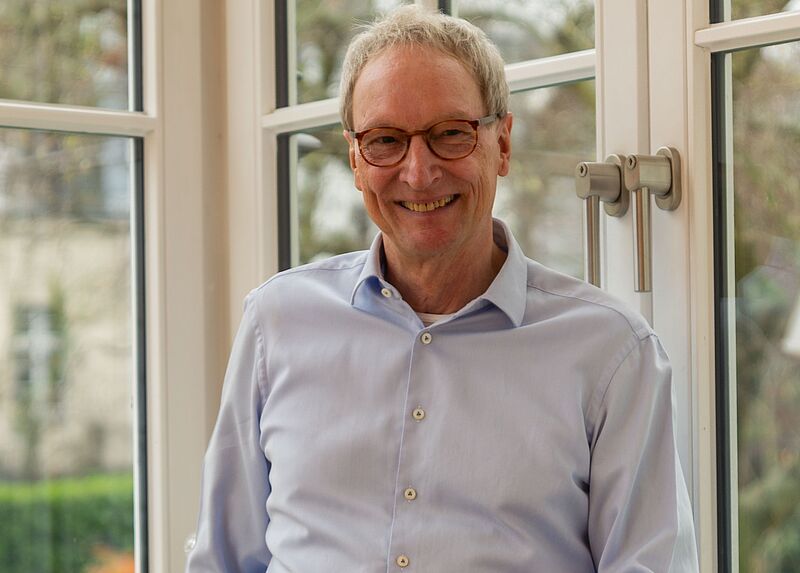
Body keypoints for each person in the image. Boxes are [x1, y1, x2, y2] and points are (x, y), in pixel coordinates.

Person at [186, 6, 698, 572]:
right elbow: (222, 560)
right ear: (356, 159)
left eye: (450, 134)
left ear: (501, 144)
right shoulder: (276, 322)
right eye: (385, 140)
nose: (418, 171)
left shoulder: (611, 355)